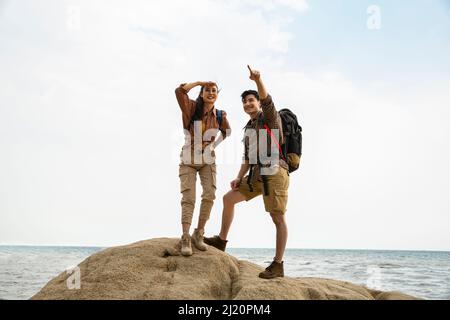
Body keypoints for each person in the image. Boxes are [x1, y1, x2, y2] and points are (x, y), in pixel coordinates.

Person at [205, 66, 290, 279]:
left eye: (251, 100)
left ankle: (278, 265)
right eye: (244, 102)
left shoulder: (270, 117)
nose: (247, 104)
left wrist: (258, 79)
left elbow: (268, 100)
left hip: (275, 173)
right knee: (228, 199)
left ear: (258, 103)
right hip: (256, 175)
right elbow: (248, 158)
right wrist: (238, 177)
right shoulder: (249, 127)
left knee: (277, 218)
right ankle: (221, 240)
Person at [175, 81, 231, 256]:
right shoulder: (191, 107)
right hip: (189, 157)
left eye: (214, 90)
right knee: (188, 197)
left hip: (208, 159)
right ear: (201, 93)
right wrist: (199, 82)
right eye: (207, 90)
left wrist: (214, 145)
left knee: (210, 194)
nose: (211, 93)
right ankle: (185, 237)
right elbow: (179, 91)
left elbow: (227, 132)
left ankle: (198, 234)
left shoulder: (220, 115)